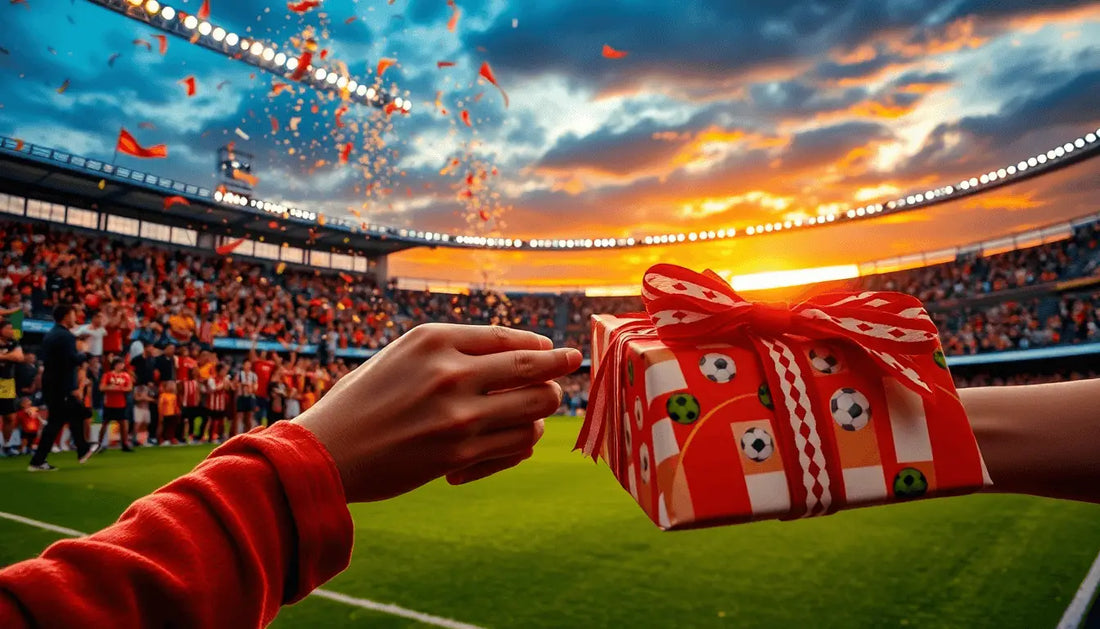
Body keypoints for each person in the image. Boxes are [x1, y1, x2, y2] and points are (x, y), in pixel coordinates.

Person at [28, 305, 99, 471]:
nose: (76, 317)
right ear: (66, 316)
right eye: (74, 314)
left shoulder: (53, 334)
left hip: (53, 383)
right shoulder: (65, 336)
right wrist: (85, 354)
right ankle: (38, 461)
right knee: (58, 420)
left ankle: (82, 449)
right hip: (61, 385)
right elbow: (71, 360)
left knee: (72, 415)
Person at [99, 359, 134, 453]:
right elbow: (102, 387)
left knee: (124, 424)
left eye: (122, 364)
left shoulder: (126, 376)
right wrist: (111, 388)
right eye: (119, 364)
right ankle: (99, 444)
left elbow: (129, 388)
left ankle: (124, 444)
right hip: (109, 403)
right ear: (114, 365)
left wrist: (117, 388)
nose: (121, 366)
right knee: (105, 423)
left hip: (121, 403)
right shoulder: (107, 375)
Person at [0, 320, 24, 456]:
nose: (11, 331)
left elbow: (19, 357)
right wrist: (10, 356)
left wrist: (2, 356)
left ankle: (6, 445)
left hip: (7, 383)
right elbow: (14, 356)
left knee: (9, 416)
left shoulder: (14, 343)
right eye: (8, 329)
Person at [157, 381, 181, 446]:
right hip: (164, 414)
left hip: (172, 414)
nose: (172, 387)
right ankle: (159, 439)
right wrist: (160, 415)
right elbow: (160, 406)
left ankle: (170, 438)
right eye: (170, 386)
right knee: (162, 426)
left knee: (171, 427)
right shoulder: (163, 395)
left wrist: (177, 412)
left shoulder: (174, 396)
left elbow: (175, 405)